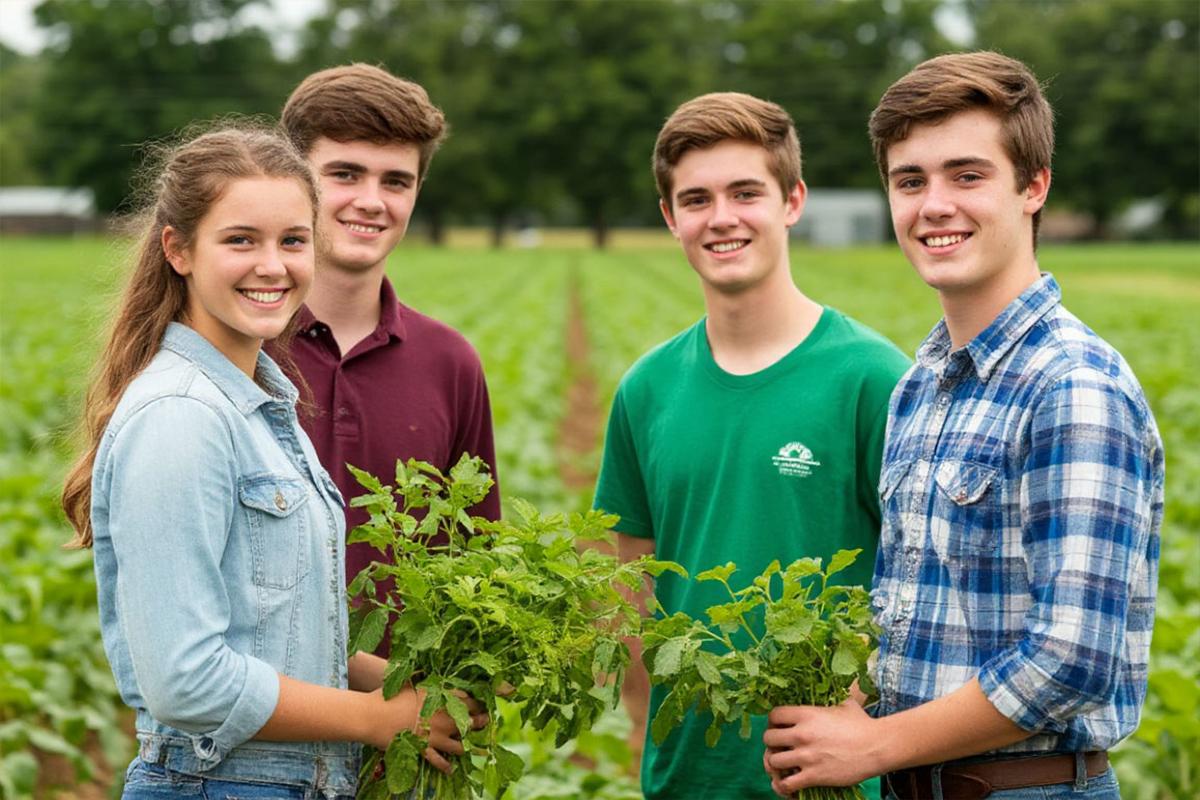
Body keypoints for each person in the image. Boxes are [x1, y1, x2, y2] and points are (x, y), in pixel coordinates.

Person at [762, 51, 1164, 800]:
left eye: (967, 176)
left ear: (1033, 187)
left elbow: (1072, 657)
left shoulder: (1070, 384)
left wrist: (875, 743)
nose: (934, 205)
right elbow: (915, 602)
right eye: (910, 181)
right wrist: (860, 702)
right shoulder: (922, 383)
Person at [60, 127, 483, 799]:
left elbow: (277, 633)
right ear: (178, 250)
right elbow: (185, 680)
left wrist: (407, 686)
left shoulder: (261, 404)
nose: (273, 265)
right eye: (240, 240)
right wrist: (377, 719)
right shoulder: (180, 416)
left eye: (292, 240)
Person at [592, 92, 910, 800]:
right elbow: (632, 585)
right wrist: (646, 731)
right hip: (686, 776)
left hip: (833, 779)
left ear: (792, 200)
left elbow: (918, 586)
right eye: (696, 199)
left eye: (746, 192)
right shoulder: (646, 389)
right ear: (671, 218)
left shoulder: (872, 378)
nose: (723, 218)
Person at [273, 65, 501, 616]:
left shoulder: (450, 362)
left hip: (408, 699)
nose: (372, 201)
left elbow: (477, 554)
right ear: (291, 177)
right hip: (259, 696)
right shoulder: (233, 346)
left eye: (395, 181)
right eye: (345, 174)